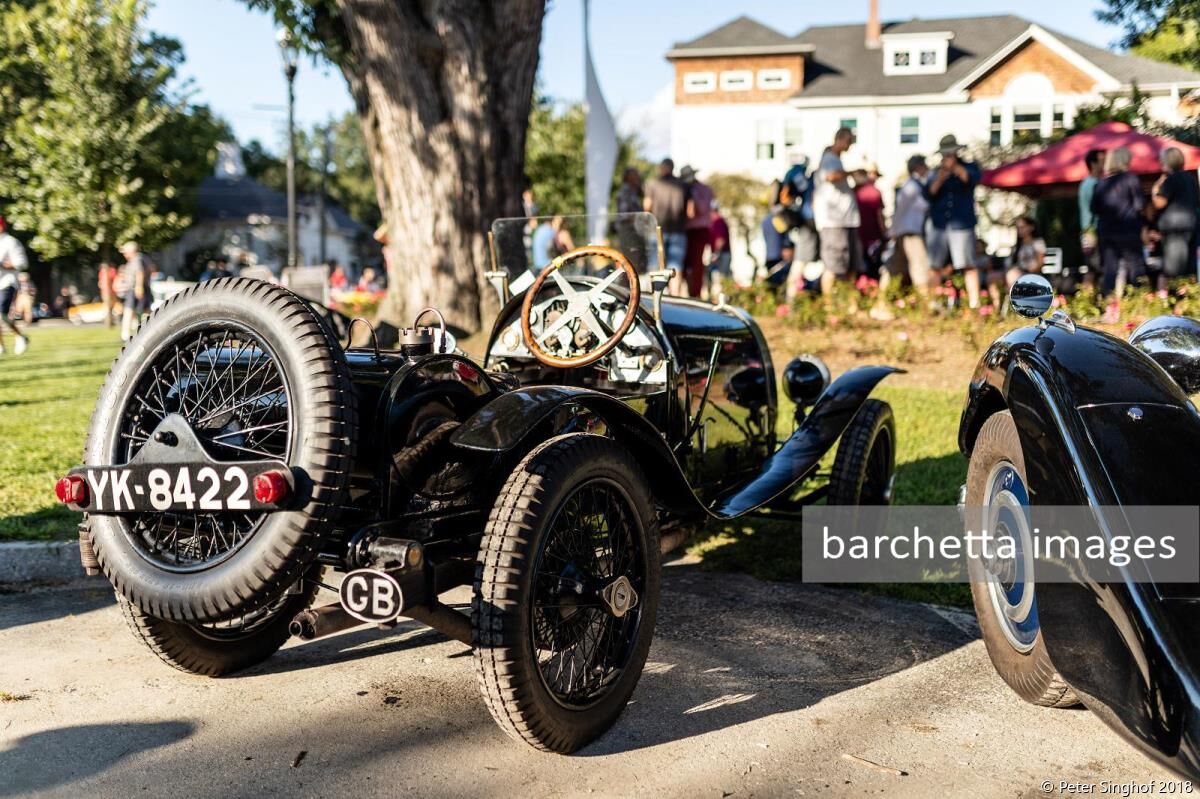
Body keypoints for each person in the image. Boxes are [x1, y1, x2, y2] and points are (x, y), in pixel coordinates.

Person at [925, 134, 983, 308]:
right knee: (935, 265)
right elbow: (928, 194)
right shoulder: (935, 172)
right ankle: (933, 303)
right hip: (939, 224)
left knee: (968, 264)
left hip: (962, 224)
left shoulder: (969, 166)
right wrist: (941, 177)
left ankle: (974, 303)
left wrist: (956, 168)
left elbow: (971, 180)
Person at [871, 155, 931, 321]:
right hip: (909, 233)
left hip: (902, 232)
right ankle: (925, 307)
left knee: (893, 268)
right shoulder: (912, 186)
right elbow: (908, 209)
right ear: (919, 167)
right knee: (919, 266)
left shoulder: (911, 185)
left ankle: (880, 305)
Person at [1091, 146, 1146, 322]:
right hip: (1128, 230)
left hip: (1107, 232)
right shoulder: (1131, 179)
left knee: (1110, 270)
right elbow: (1139, 205)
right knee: (1136, 267)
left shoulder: (1101, 183)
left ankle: (1109, 310)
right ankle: (1137, 306)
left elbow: (1094, 209)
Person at [813, 127, 862, 301]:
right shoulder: (829, 159)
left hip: (845, 221)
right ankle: (828, 305)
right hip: (833, 222)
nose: (850, 145)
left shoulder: (836, 160)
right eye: (849, 141)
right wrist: (853, 172)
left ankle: (849, 303)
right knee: (834, 266)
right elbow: (832, 176)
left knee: (849, 266)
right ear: (839, 139)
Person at [1151, 147, 1198, 292]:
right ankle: (1188, 298)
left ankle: (1162, 300)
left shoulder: (1171, 179)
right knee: (1188, 269)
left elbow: (1159, 203)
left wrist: (1155, 190)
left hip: (1174, 229)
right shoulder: (1190, 178)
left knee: (1169, 270)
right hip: (1191, 226)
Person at [644, 158, 690, 296]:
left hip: (657, 231)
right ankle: (674, 297)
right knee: (676, 267)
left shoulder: (653, 184)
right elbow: (690, 212)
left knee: (655, 265)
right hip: (678, 230)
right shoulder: (683, 185)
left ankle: (655, 297)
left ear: (662, 167)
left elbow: (647, 206)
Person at [990, 216, 1046, 308]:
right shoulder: (1018, 245)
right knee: (992, 276)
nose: (1020, 230)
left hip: (1031, 274)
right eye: (1018, 228)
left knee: (1012, 275)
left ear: (1031, 227)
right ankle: (997, 307)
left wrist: (1028, 270)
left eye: (1022, 227)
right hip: (1014, 272)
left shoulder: (1038, 242)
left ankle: (1018, 307)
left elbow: (1040, 263)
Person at [681, 166, 713, 298]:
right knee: (683, 265)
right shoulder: (682, 188)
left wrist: (692, 194)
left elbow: (702, 209)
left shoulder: (703, 189)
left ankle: (695, 293)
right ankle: (685, 292)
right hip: (684, 231)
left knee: (697, 264)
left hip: (699, 231)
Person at [0, 216, 29, 355]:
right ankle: (1, 346)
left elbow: (22, 263)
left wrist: (3, 265)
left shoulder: (11, 242)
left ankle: (20, 336)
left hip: (7, 282)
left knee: (1, 314)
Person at [1078, 149, 1106, 286]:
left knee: (1092, 270)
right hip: (1092, 231)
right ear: (1093, 164)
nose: (1105, 164)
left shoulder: (1088, 183)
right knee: (1093, 270)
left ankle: (1086, 297)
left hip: (1090, 231)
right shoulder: (1092, 184)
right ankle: (1086, 297)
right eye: (1102, 161)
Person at [853, 164, 886, 279]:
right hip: (871, 236)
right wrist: (884, 232)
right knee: (873, 265)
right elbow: (879, 215)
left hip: (859, 235)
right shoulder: (874, 192)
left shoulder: (854, 191)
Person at [120, 241, 146, 342]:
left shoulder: (136, 259)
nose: (124, 254)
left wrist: (139, 287)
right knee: (134, 313)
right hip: (132, 289)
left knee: (129, 311)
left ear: (131, 251)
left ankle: (125, 335)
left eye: (125, 252)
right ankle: (136, 333)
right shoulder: (134, 260)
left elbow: (140, 273)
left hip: (133, 289)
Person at [761, 209, 794, 288]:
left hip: (770, 256)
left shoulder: (765, 220)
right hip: (779, 257)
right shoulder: (777, 219)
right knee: (779, 282)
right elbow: (785, 236)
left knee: (772, 283)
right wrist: (787, 246)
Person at [708, 202, 732, 299]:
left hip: (722, 255)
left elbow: (720, 239)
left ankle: (720, 300)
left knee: (720, 279)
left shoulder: (718, 222)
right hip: (722, 254)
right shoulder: (717, 222)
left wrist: (716, 253)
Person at [98, 261, 117, 327]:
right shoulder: (111, 271)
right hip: (110, 292)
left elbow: (100, 283)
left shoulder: (103, 272)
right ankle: (109, 322)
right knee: (109, 307)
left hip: (106, 292)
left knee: (109, 307)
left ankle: (109, 321)